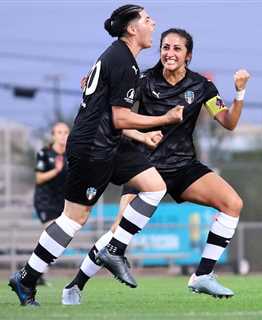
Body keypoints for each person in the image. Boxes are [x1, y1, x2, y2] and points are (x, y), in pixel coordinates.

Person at [8, 5, 185, 307]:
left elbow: (108, 116)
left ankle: (114, 248)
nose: (152, 22)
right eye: (146, 19)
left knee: (155, 186)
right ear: (131, 29)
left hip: (109, 145)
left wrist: (142, 135)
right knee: (73, 219)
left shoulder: (120, 58)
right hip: (92, 149)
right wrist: (164, 119)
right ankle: (26, 279)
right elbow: (119, 118)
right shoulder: (123, 62)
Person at [61, 28, 250, 304]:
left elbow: (229, 122)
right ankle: (74, 286)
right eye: (165, 47)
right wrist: (96, 85)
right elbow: (116, 108)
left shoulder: (202, 87)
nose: (170, 53)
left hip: (183, 166)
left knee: (233, 204)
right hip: (144, 168)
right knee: (117, 235)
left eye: (177, 49)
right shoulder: (142, 80)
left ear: (189, 55)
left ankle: (203, 275)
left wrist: (240, 92)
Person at [32, 122, 70, 286]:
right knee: (52, 234)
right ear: (53, 135)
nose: (62, 135)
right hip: (45, 201)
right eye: (59, 132)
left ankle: (36, 271)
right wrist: (56, 170)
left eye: (65, 132)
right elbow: (39, 178)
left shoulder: (71, 154)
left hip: (62, 203)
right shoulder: (44, 153)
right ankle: (35, 272)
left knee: (53, 238)